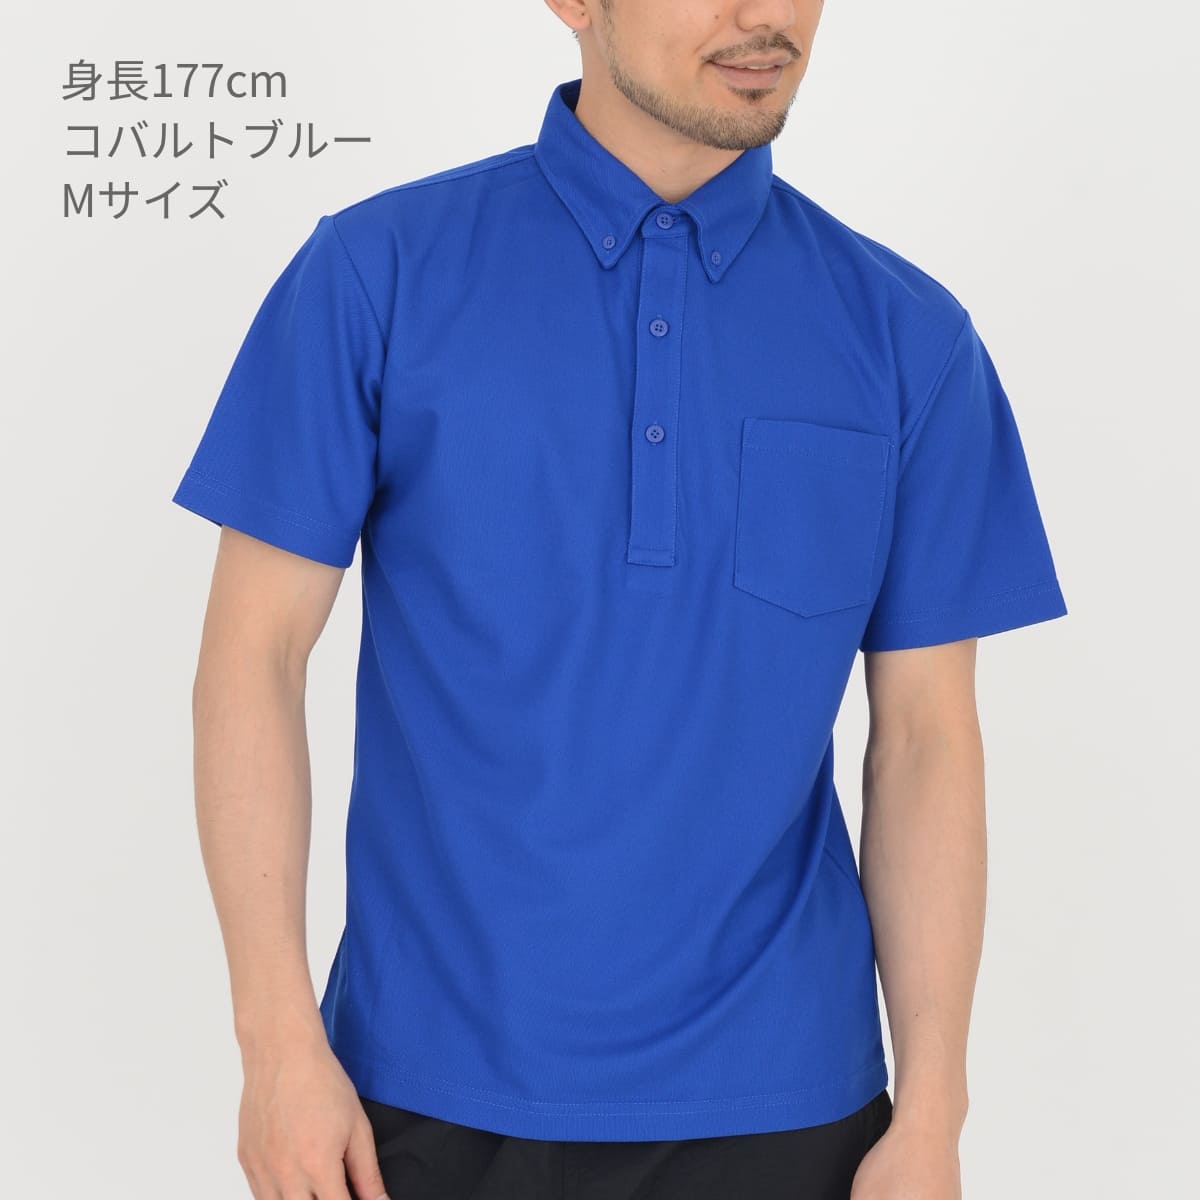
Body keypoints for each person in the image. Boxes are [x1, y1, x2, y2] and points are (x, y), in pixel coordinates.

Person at [172, 2, 1068, 1198]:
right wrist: (276, 1042)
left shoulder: (909, 337)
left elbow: (925, 740)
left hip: (788, 1105)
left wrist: (936, 1114)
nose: (766, 17)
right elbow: (253, 657)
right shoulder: (377, 273)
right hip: (422, 1094)